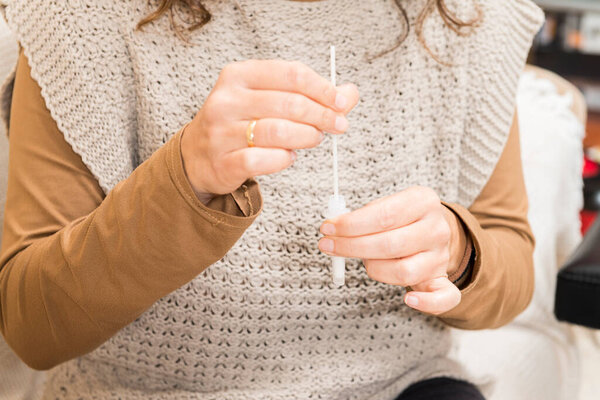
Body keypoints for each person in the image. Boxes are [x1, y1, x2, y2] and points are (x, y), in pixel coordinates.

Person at [0, 0, 543, 398]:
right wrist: (185, 175)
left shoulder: (471, 19)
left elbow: (511, 259)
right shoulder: (77, 18)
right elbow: (32, 324)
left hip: (404, 387)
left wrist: (456, 251)